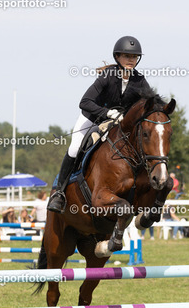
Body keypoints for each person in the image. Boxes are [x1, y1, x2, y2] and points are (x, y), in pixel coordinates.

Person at [47, 35, 151, 213]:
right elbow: (85, 102)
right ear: (117, 57)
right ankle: (59, 193)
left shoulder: (139, 80)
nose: (131, 60)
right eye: (127, 56)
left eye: (134, 57)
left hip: (118, 123)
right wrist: (107, 113)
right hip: (92, 118)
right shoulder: (107, 77)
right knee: (75, 148)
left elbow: (149, 103)